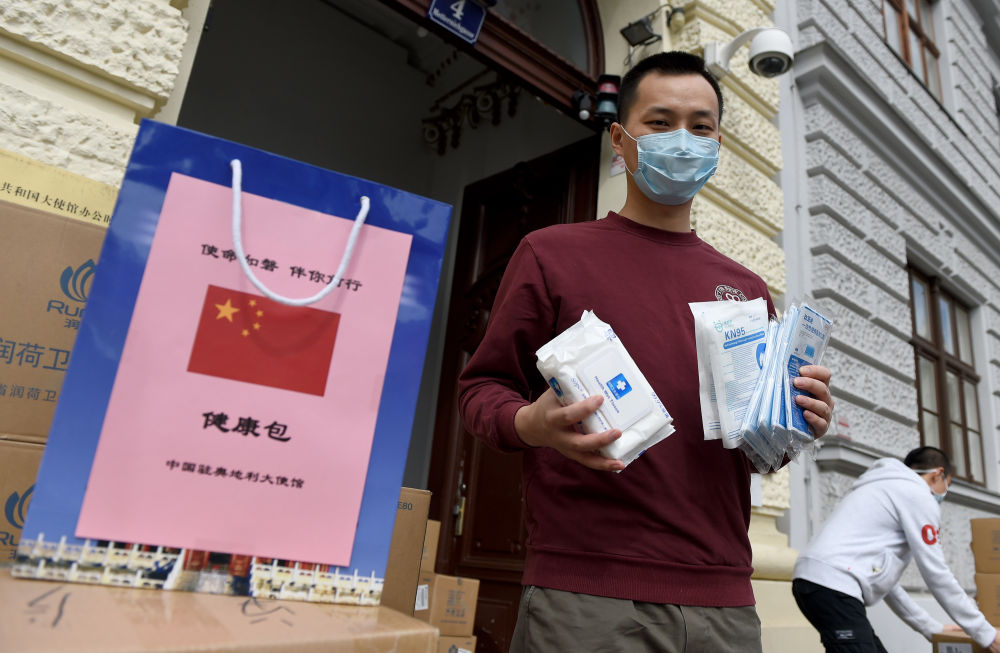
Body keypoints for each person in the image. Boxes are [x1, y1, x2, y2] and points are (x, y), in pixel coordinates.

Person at [457, 50, 834, 652]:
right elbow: (479, 390)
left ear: (717, 143)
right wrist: (532, 423)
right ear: (619, 137)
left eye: (701, 126)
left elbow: (752, 448)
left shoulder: (746, 289)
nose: (682, 141)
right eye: (660, 123)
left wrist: (792, 425)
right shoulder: (550, 254)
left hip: (726, 601)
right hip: (587, 596)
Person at [793, 446, 1000, 652]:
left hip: (816, 582)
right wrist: (986, 634)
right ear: (938, 474)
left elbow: (888, 586)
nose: (943, 492)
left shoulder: (884, 488)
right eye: (948, 484)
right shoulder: (918, 495)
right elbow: (937, 573)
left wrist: (930, 628)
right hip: (833, 585)